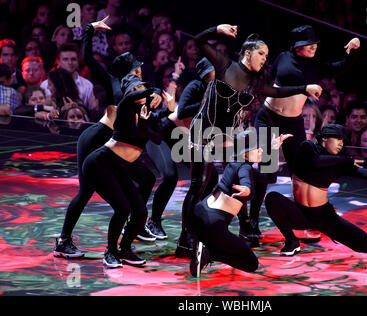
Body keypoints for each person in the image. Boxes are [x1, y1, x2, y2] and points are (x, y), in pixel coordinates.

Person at [177, 23, 313, 258]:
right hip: (203, 134)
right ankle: (186, 240)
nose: (264, 59)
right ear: (247, 53)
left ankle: (238, 227)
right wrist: (216, 30)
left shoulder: (254, 82)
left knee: (234, 180)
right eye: (261, 53)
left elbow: (278, 92)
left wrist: (304, 88)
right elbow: (199, 40)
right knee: (198, 187)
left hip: (225, 139)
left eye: (267, 56)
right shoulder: (225, 65)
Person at [251, 25, 360, 237]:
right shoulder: (283, 59)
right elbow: (273, 81)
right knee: (266, 170)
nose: (312, 48)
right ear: (296, 46)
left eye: (314, 44)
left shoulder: (317, 65)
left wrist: (353, 51)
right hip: (268, 118)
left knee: (302, 172)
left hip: (293, 123)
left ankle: (306, 218)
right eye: (307, 45)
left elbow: (341, 66)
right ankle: (252, 220)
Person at [265, 124, 367, 256]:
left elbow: (363, 172)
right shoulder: (308, 147)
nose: (341, 143)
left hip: (324, 216)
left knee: (366, 246)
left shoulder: (338, 162)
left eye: (343, 140)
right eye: (337, 138)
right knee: (272, 198)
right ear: (324, 139)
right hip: (300, 214)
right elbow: (314, 162)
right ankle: (291, 241)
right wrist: (345, 160)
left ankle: (329, 232)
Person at [80, 74, 162, 268]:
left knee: (140, 212)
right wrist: (154, 90)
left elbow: (157, 138)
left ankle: (125, 249)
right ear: (128, 93)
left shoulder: (147, 113)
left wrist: (144, 123)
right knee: (122, 208)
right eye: (134, 89)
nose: (138, 92)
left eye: (140, 88)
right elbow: (134, 96)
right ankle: (110, 251)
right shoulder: (124, 108)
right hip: (99, 164)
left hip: (120, 167)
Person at [188, 130, 262, 277]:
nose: (261, 150)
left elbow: (257, 174)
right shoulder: (245, 167)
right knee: (252, 264)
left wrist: (274, 145)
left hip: (197, 215)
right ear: (245, 153)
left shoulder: (234, 163)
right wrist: (247, 190)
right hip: (212, 225)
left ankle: (204, 248)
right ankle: (209, 254)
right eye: (257, 147)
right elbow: (246, 179)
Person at [41, 43, 95, 112]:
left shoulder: (87, 85)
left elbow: (90, 112)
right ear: (58, 61)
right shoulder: (45, 85)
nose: (70, 62)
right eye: (65, 59)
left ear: (78, 61)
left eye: (73, 59)